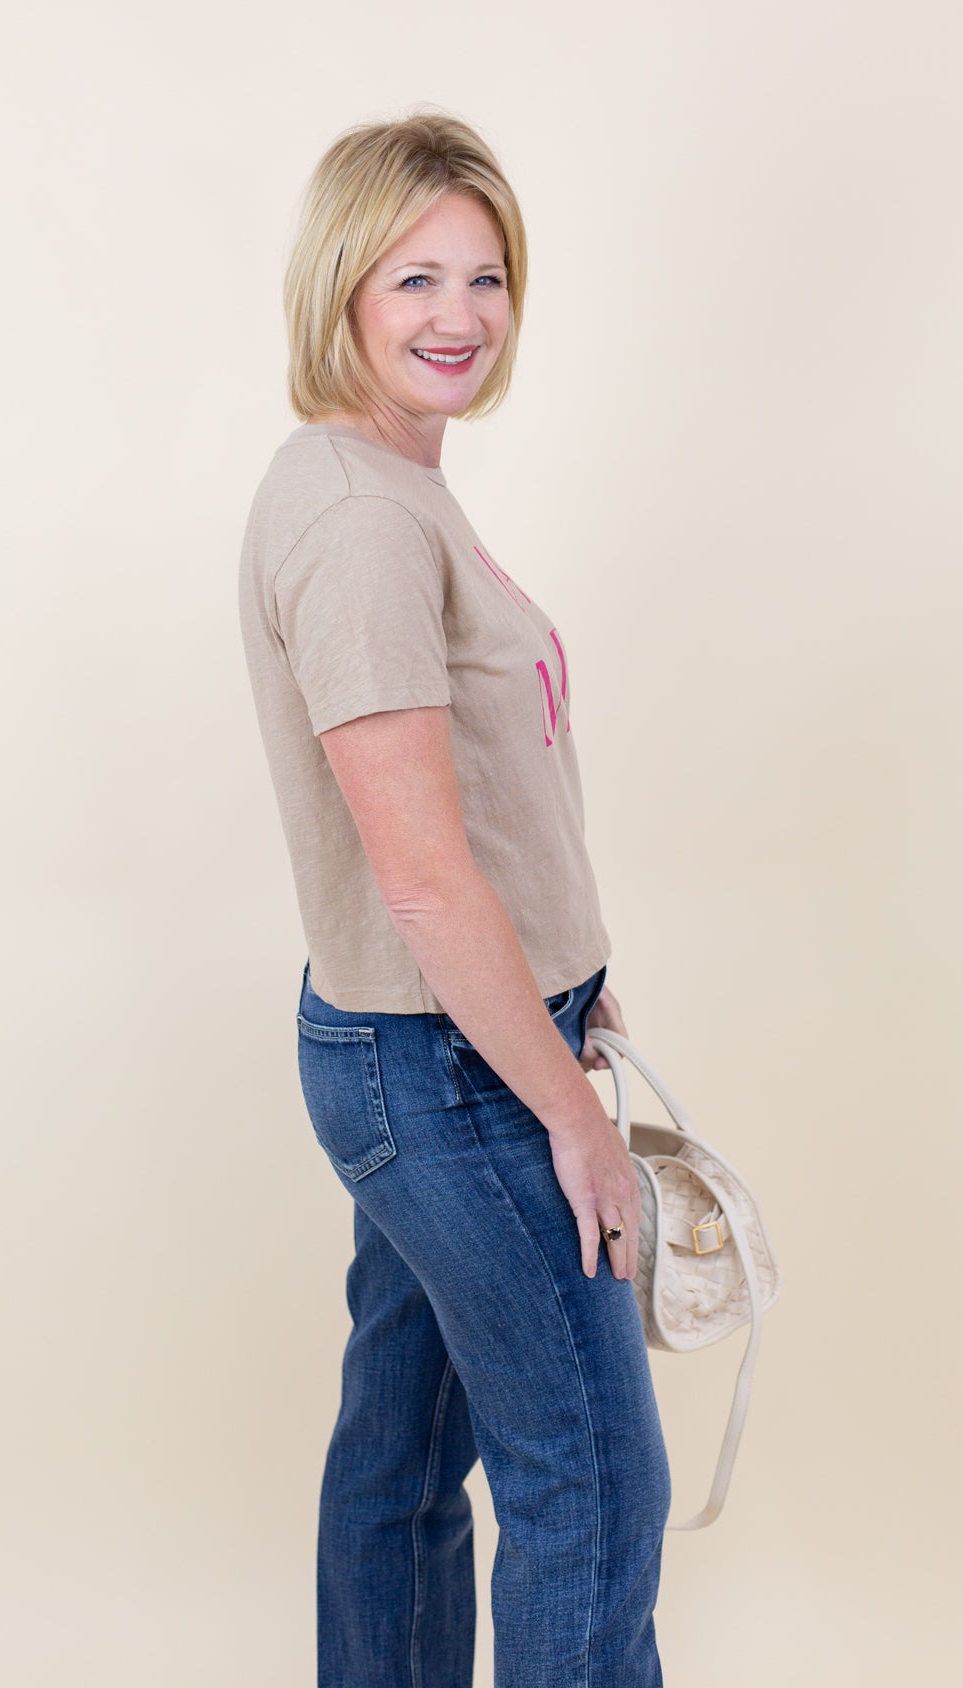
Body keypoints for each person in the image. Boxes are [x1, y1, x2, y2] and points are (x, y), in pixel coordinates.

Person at [237, 110, 670, 1687]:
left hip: (446, 1039)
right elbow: (419, 878)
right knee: (595, 1490)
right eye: (414, 277)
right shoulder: (359, 523)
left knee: (404, 1464)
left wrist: (567, 975)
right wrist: (567, 1111)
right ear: (341, 288)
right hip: (455, 1070)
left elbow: (477, 802)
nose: (459, 315)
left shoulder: (375, 478)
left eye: (486, 276)